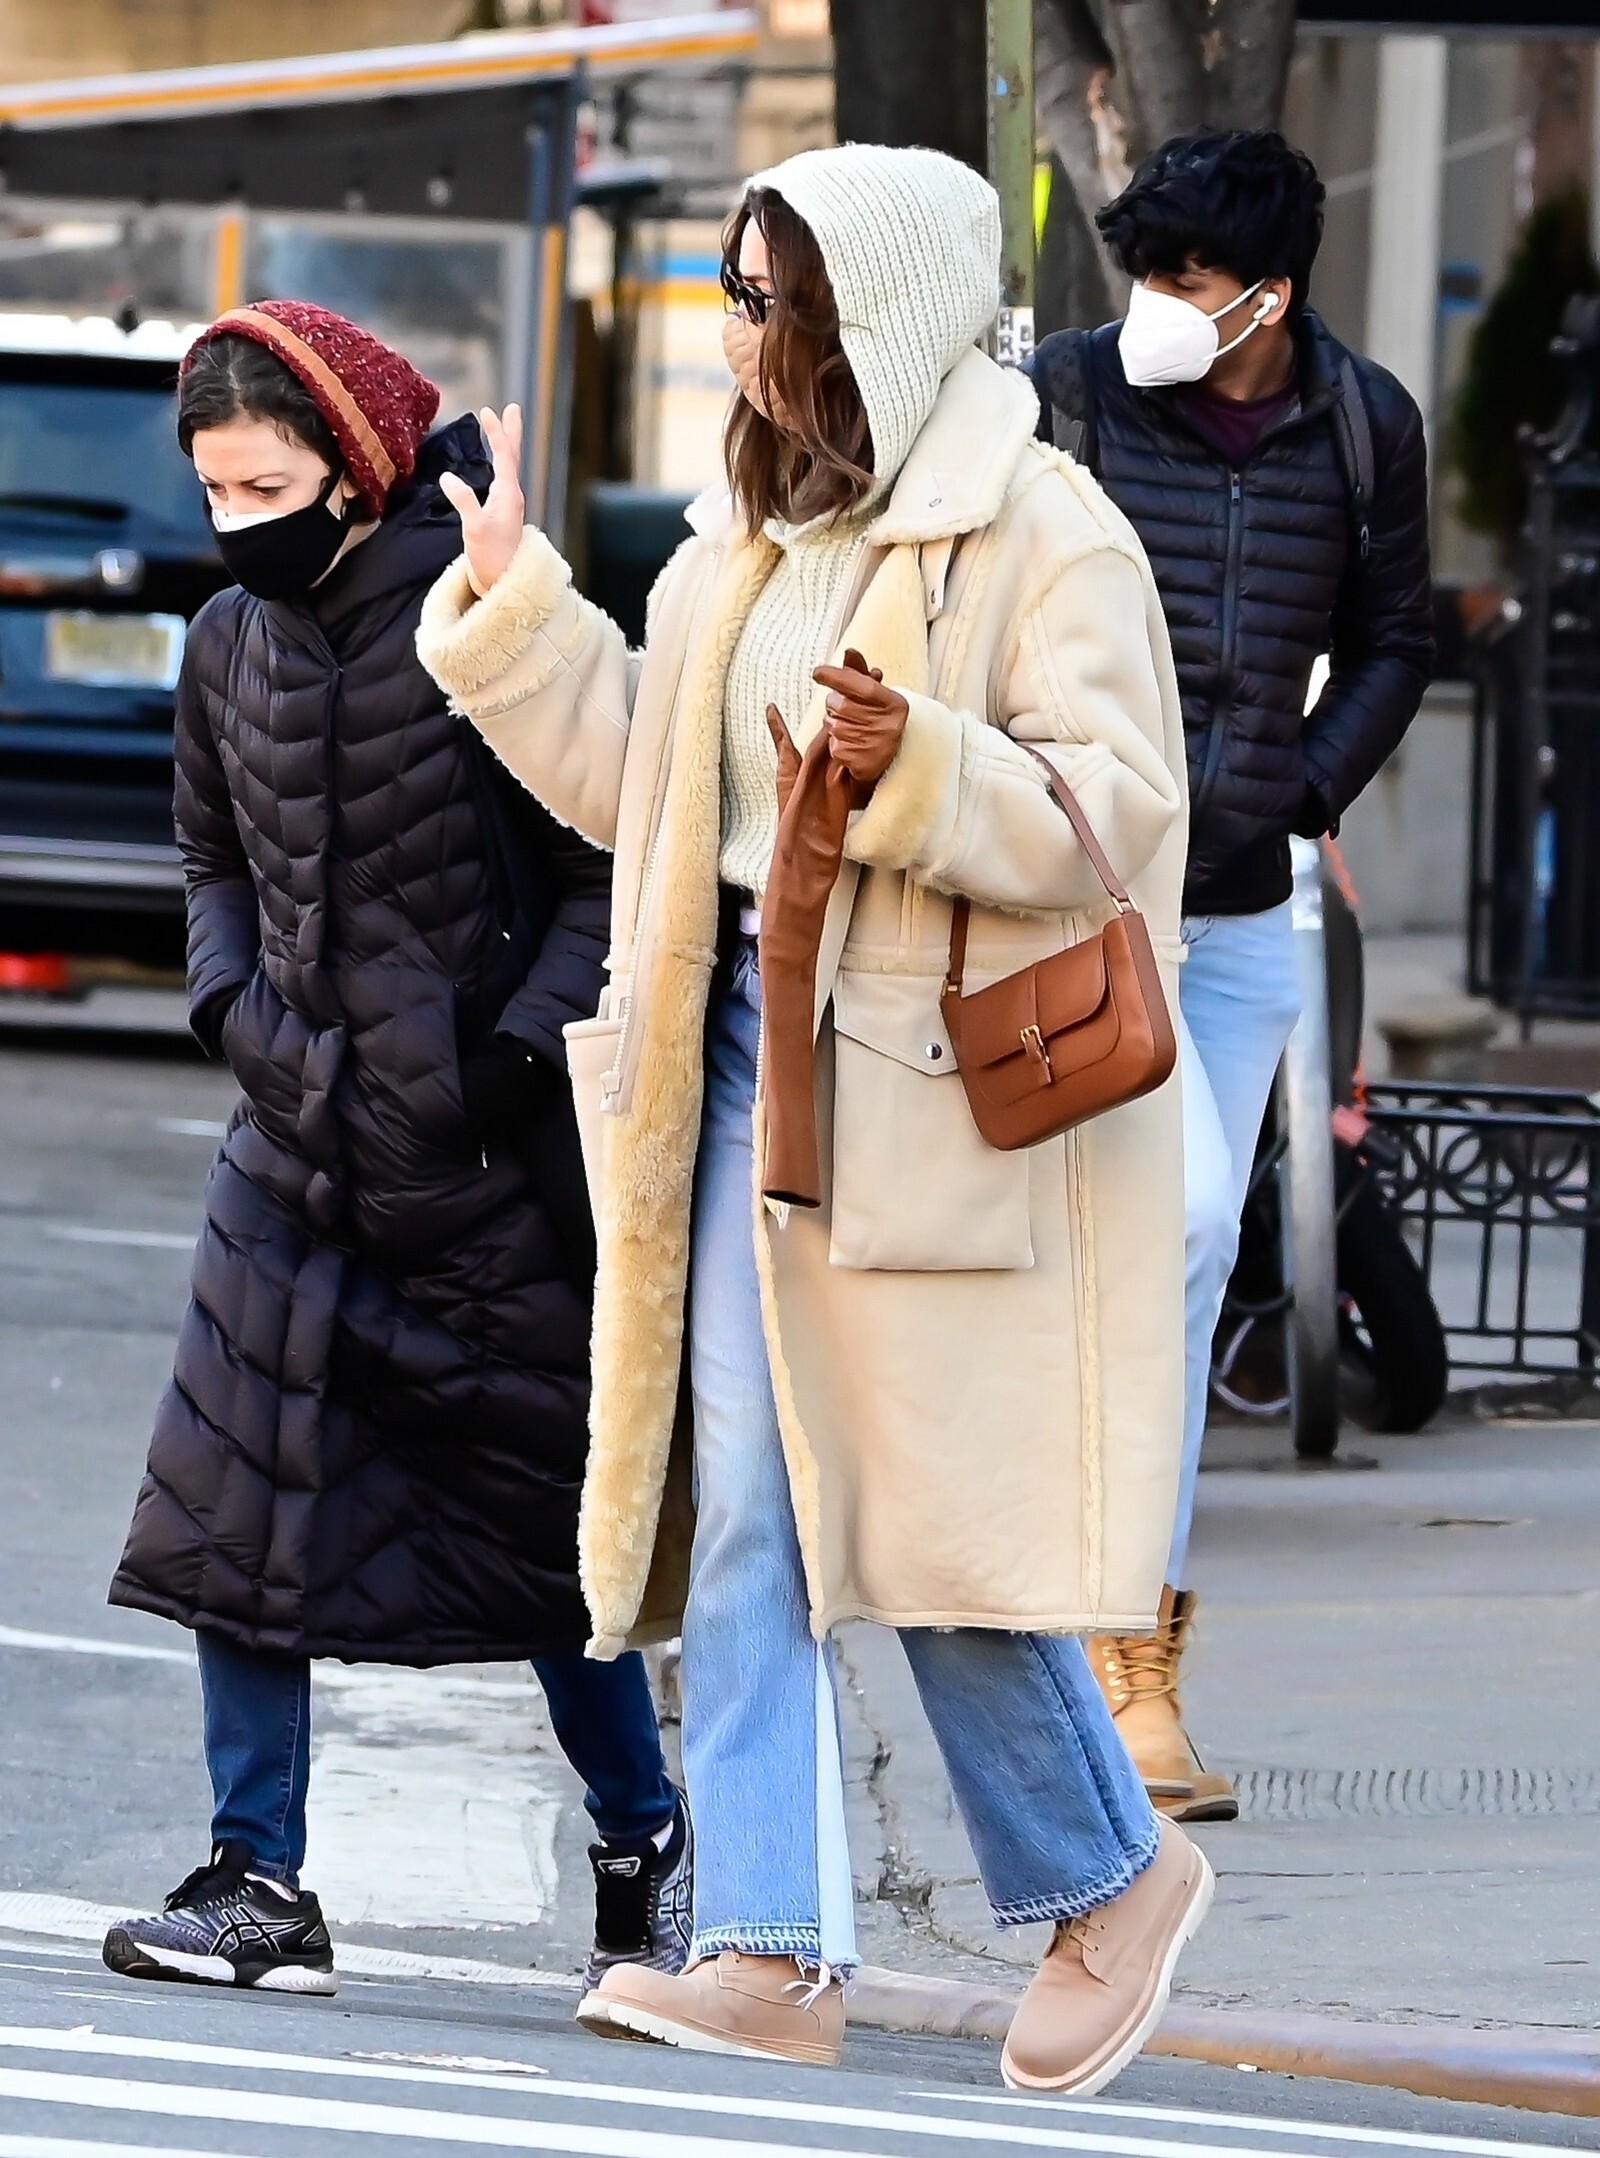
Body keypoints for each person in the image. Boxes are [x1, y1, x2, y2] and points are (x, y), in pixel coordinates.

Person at [417, 143, 1208, 2096]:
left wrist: (923, 765)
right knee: (756, 1514)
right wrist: (517, 613)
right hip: (737, 1063)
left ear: (882, 314)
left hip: (922, 1093)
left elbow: (1119, 810)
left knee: (913, 1518)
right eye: (738, 298)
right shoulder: (741, 535)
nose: (744, 338)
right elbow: (649, 789)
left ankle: (1113, 1874)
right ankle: (770, 1940)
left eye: (773, 302)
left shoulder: (1039, 528)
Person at [102, 301, 689, 2000]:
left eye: (267, 487)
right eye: (215, 491)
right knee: (234, 1506)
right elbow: (211, 859)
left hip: (481, 1161)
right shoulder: (228, 642)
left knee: (543, 1528)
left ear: (355, 473)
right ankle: (255, 1877)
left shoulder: (483, 612)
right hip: (288, 1146)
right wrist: (235, 1014)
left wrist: (508, 1061)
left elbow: (608, 860)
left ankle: (644, 1842)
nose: (238, 524)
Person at [1029, 131, 1434, 1822]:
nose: (1156, 303)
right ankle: (1090, 1638)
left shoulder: (1364, 423)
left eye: (1187, 278)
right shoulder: (1067, 398)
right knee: (1185, 1217)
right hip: (1082, 899)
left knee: (1184, 1281)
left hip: (1246, 914)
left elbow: (1402, 636)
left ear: (1268, 294)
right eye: (1144, 270)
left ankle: (1128, 1659)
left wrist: (1305, 787)